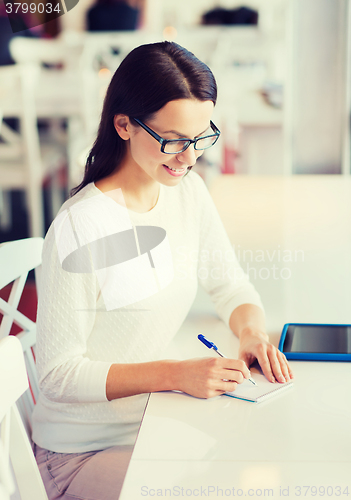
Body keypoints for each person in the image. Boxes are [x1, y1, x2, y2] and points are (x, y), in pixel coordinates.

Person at [32, 41, 293, 500]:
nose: (189, 158)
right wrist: (176, 374)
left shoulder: (185, 193)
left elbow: (230, 283)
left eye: (199, 138)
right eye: (173, 140)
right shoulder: (80, 227)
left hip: (157, 423)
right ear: (124, 125)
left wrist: (252, 334)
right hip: (79, 455)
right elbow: (58, 374)